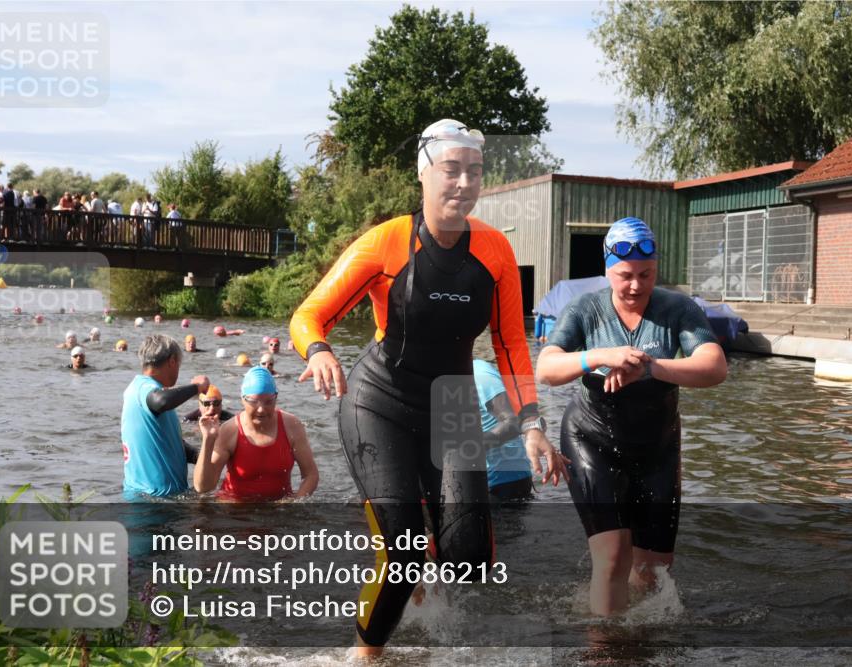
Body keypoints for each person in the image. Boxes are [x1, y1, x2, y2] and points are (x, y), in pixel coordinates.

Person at [290, 118, 567, 655]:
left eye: (475, 173)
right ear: (424, 175)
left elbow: (511, 344)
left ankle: (420, 569)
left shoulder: (495, 252)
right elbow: (309, 314)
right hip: (380, 402)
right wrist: (319, 350)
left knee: (468, 559)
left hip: (453, 406)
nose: (463, 184)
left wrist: (531, 423)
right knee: (400, 553)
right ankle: (364, 655)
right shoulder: (387, 243)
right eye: (451, 170)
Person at [536, 217, 727, 616]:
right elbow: (547, 369)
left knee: (653, 571)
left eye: (647, 274)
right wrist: (600, 356)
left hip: (657, 448)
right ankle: (603, 650)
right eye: (625, 276)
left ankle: (639, 644)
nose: (636, 285)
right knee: (613, 556)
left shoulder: (676, 308)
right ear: (608, 270)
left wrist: (652, 368)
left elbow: (714, 366)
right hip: (593, 441)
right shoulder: (586, 309)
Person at [193, 366, 318, 501]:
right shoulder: (230, 430)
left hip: (278, 508)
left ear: (276, 398)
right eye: (253, 402)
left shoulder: (292, 426)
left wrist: (295, 502)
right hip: (235, 510)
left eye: (268, 402)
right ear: (243, 399)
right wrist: (208, 440)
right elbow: (203, 487)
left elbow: (311, 474)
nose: (261, 409)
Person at [121, 335, 211, 499]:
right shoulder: (145, 388)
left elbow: (170, 443)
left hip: (157, 497)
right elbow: (161, 401)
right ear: (172, 361)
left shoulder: (143, 389)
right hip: (151, 501)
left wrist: (206, 456)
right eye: (179, 365)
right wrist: (197, 387)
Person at [472, 359, 534, 501]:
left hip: (503, 482)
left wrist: (465, 448)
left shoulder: (479, 374)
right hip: (479, 480)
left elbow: (512, 423)